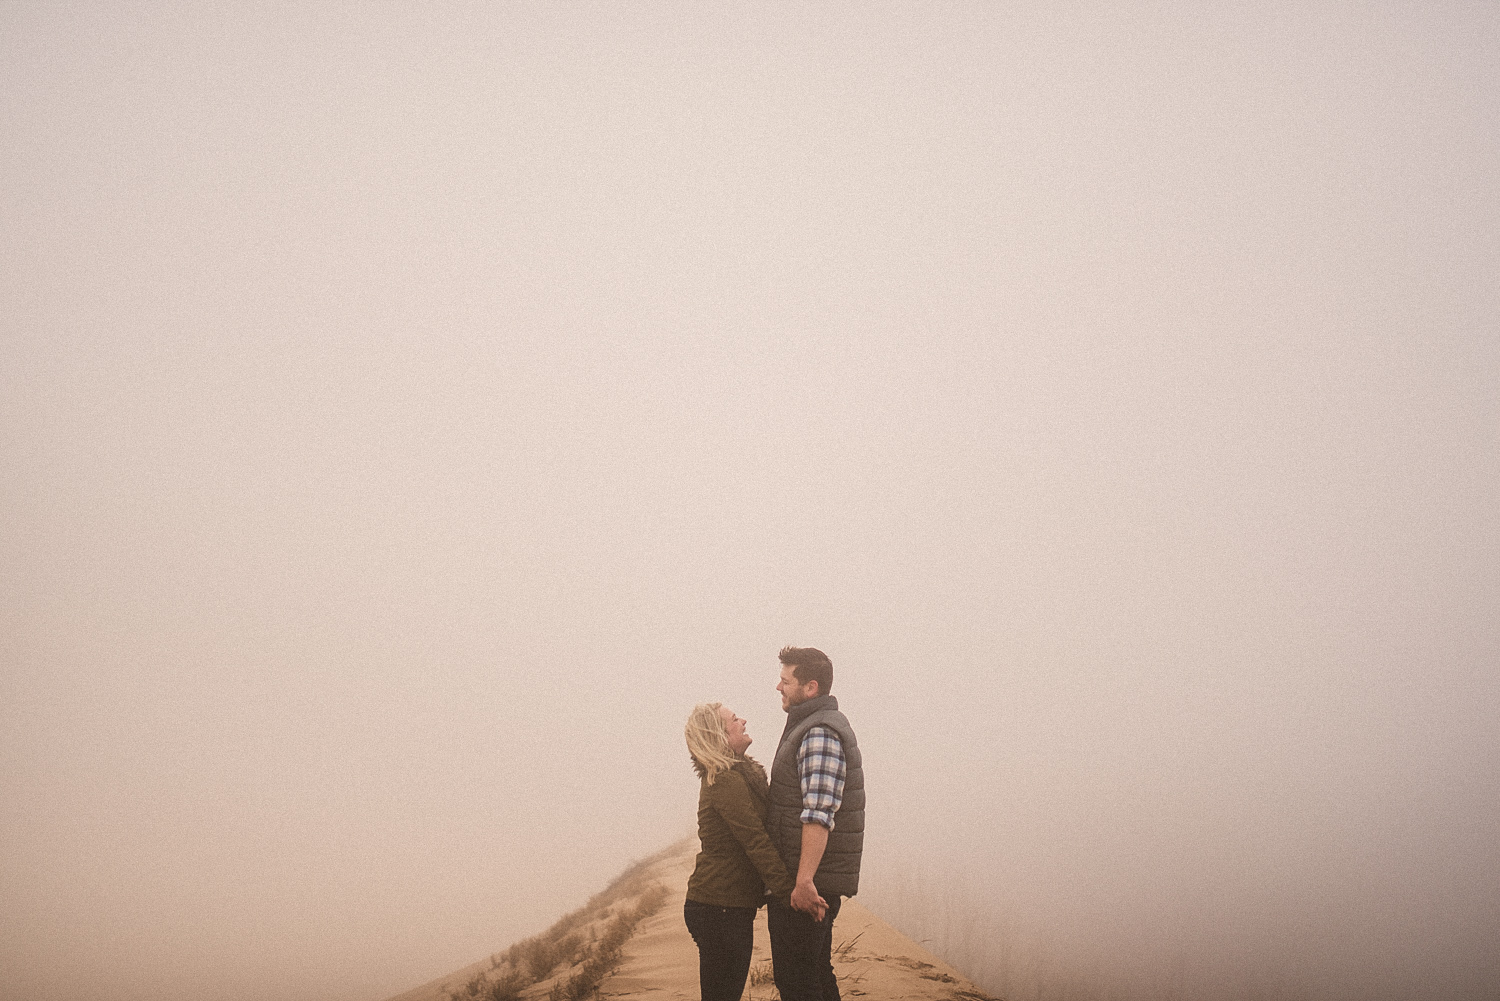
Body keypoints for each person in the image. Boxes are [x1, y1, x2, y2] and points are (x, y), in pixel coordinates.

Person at [683, 702, 813, 1001]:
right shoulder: (725, 779)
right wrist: (790, 894)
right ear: (719, 735)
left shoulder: (736, 776)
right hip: (719, 908)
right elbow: (755, 841)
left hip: (724, 906)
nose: (743, 720)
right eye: (734, 719)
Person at [765, 646, 865, 1001]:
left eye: (785, 681)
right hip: (806, 879)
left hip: (807, 884)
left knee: (798, 983)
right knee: (815, 976)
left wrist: (804, 880)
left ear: (811, 687)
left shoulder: (819, 733)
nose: (778, 687)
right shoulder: (809, 726)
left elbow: (819, 814)